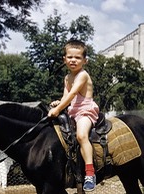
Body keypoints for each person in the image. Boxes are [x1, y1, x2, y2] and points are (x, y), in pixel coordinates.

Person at [48, 39, 99, 192]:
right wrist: (59, 103)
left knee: (81, 135)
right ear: (64, 59)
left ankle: (90, 173)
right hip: (73, 111)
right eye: (70, 57)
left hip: (85, 111)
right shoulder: (67, 77)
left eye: (77, 58)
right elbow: (66, 97)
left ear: (85, 61)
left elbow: (73, 94)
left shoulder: (82, 75)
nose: (73, 60)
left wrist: (57, 110)